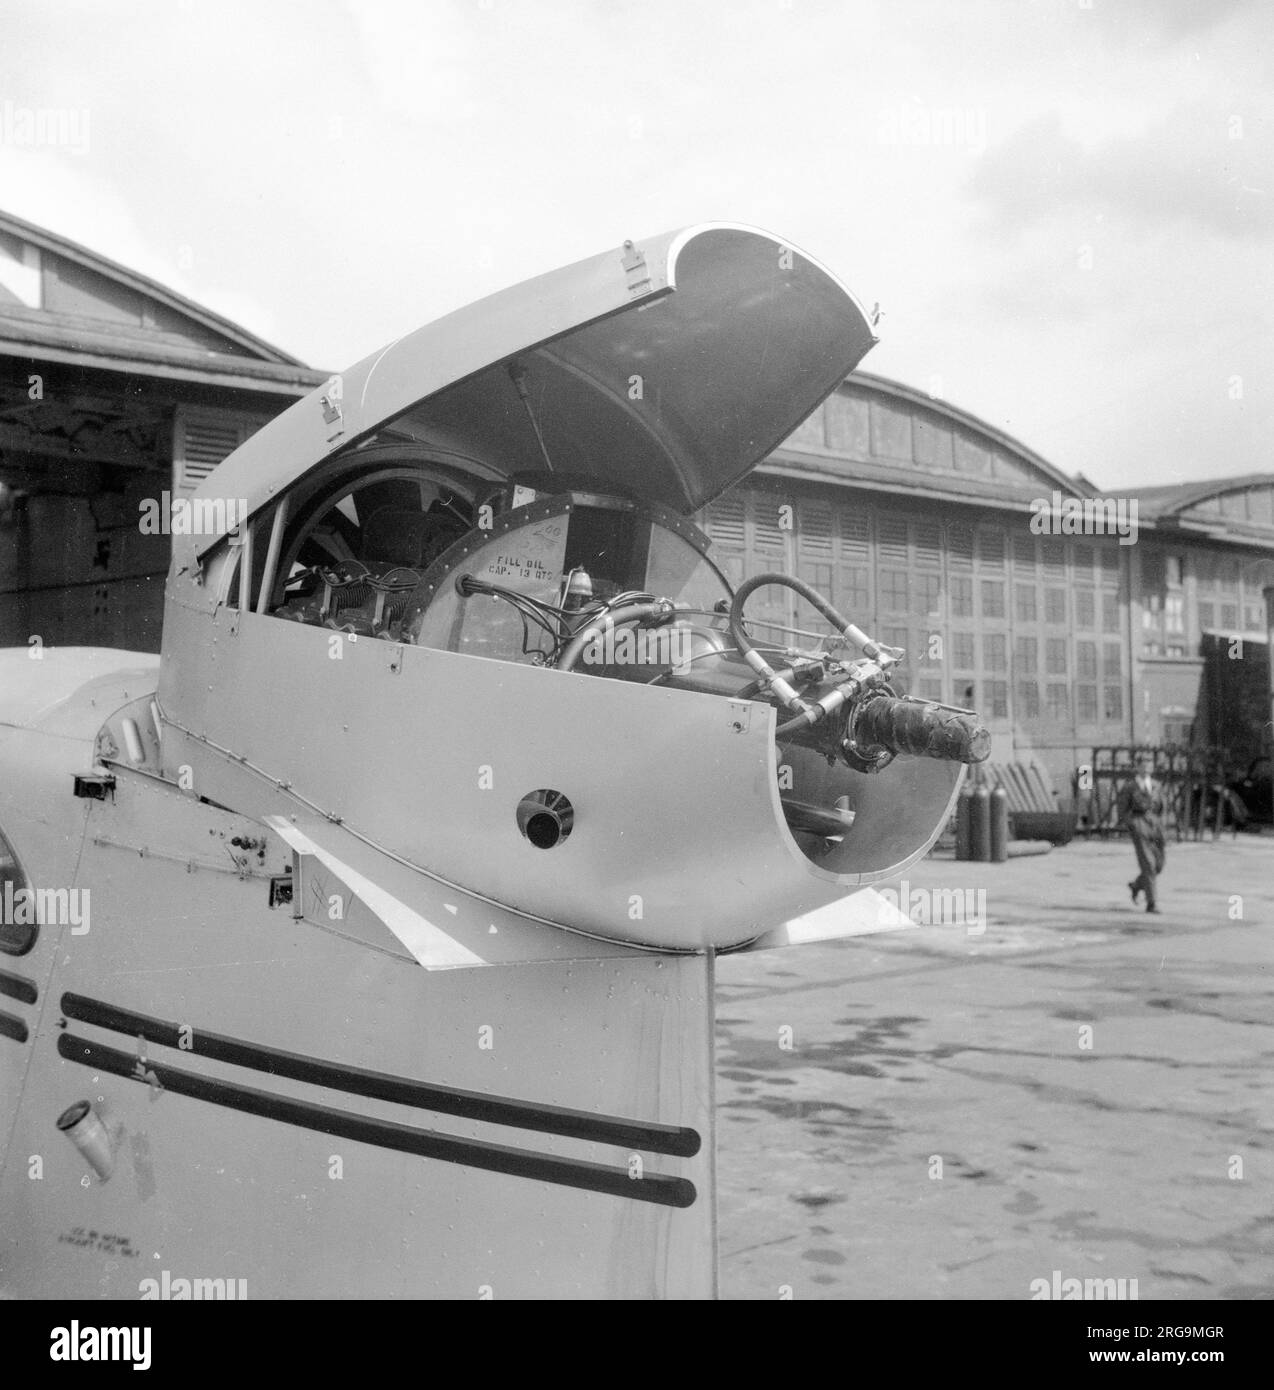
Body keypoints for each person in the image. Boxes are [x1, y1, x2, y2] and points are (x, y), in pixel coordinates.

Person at [1117, 753, 1166, 914]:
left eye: (1149, 764)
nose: (1146, 767)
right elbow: (1122, 810)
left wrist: (1161, 825)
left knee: (1159, 865)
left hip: (1156, 827)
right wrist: (1132, 824)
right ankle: (1152, 903)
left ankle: (1137, 885)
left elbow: (1162, 807)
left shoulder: (1157, 785)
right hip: (1140, 825)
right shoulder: (1130, 786)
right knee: (1149, 865)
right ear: (1137, 767)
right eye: (1143, 764)